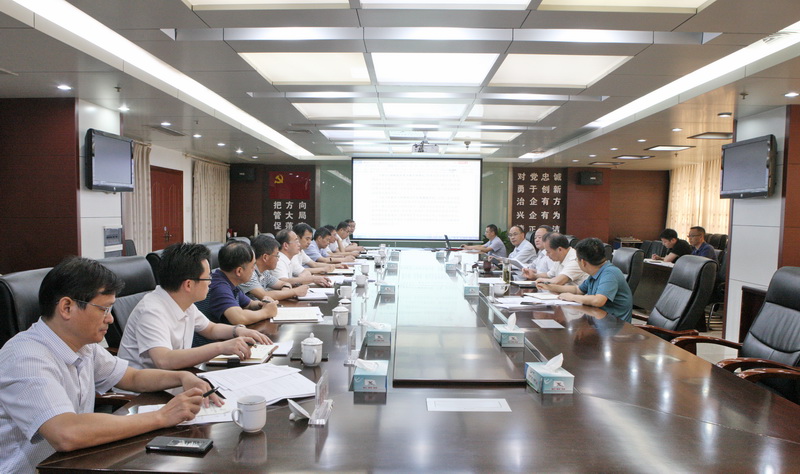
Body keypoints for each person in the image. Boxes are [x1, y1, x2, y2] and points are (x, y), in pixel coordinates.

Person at [0, 257, 216, 472]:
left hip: (75, 462)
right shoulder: (26, 358)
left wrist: (181, 377)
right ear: (66, 307)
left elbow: (132, 377)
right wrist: (162, 416)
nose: (110, 319)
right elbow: (65, 433)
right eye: (104, 309)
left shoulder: (84, 346)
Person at [118, 243, 271, 370]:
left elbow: (210, 329)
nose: (211, 282)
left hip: (175, 378)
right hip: (144, 392)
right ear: (189, 284)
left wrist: (237, 331)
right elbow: (164, 360)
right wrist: (221, 347)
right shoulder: (152, 311)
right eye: (207, 277)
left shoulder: (184, 301)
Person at [538, 238, 633, 323]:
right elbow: (578, 290)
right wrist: (550, 287)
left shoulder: (610, 273)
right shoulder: (596, 272)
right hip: (599, 321)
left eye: (577, 260)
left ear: (583, 262)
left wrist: (572, 297)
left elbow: (598, 300)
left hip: (615, 326)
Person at [197, 240, 278, 328]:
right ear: (239, 271)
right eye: (252, 266)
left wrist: (263, 304)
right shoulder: (219, 286)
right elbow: (239, 318)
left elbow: (249, 304)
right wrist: (266, 312)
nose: (254, 269)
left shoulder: (228, 280)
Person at [239, 234, 310, 301]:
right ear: (265, 257)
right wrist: (294, 292)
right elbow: (264, 295)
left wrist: (285, 291)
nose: (278, 259)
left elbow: (284, 283)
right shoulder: (250, 273)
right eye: (276, 255)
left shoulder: (264, 272)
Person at [522, 233, 588, 286]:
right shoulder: (559, 258)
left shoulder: (575, 260)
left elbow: (558, 281)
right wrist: (534, 276)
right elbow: (549, 275)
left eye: (548, 251)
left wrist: (541, 281)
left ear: (559, 249)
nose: (546, 255)